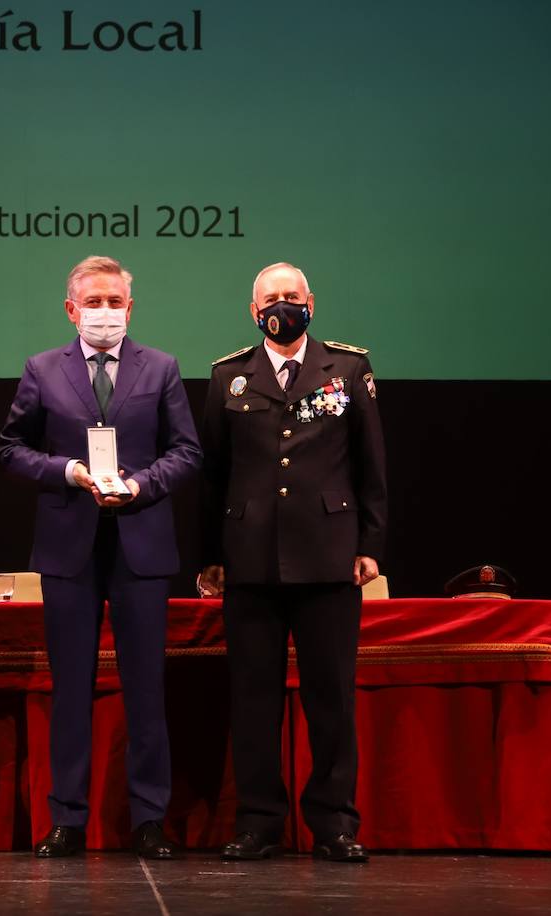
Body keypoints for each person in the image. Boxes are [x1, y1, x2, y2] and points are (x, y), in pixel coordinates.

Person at [0, 255, 201, 859]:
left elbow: (187, 451)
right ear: (71, 309)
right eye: (95, 302)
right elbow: (10, 449)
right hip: (69, 548)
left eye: (116, 303)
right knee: (71, 690)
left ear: (130, 308)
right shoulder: (41, 368)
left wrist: (142, 484)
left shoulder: (161, 368)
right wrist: (65, 471)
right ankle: (68, 818)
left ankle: (148, 819)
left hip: (141, 542)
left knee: (145, 689)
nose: (105, 312)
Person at [199, 261, 387, 863]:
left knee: (330, 698)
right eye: (271, 299)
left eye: (292, 295)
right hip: (249, 560)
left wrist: (370, 546)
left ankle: (333, 822)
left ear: (311, 301)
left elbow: (371, 466)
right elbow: (212, 475)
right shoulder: (229, 376)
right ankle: (258, 821)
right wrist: (209, 555)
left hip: (329, 559)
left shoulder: (348, 369)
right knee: (253, 699)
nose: (282, 305)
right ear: (254, 313)